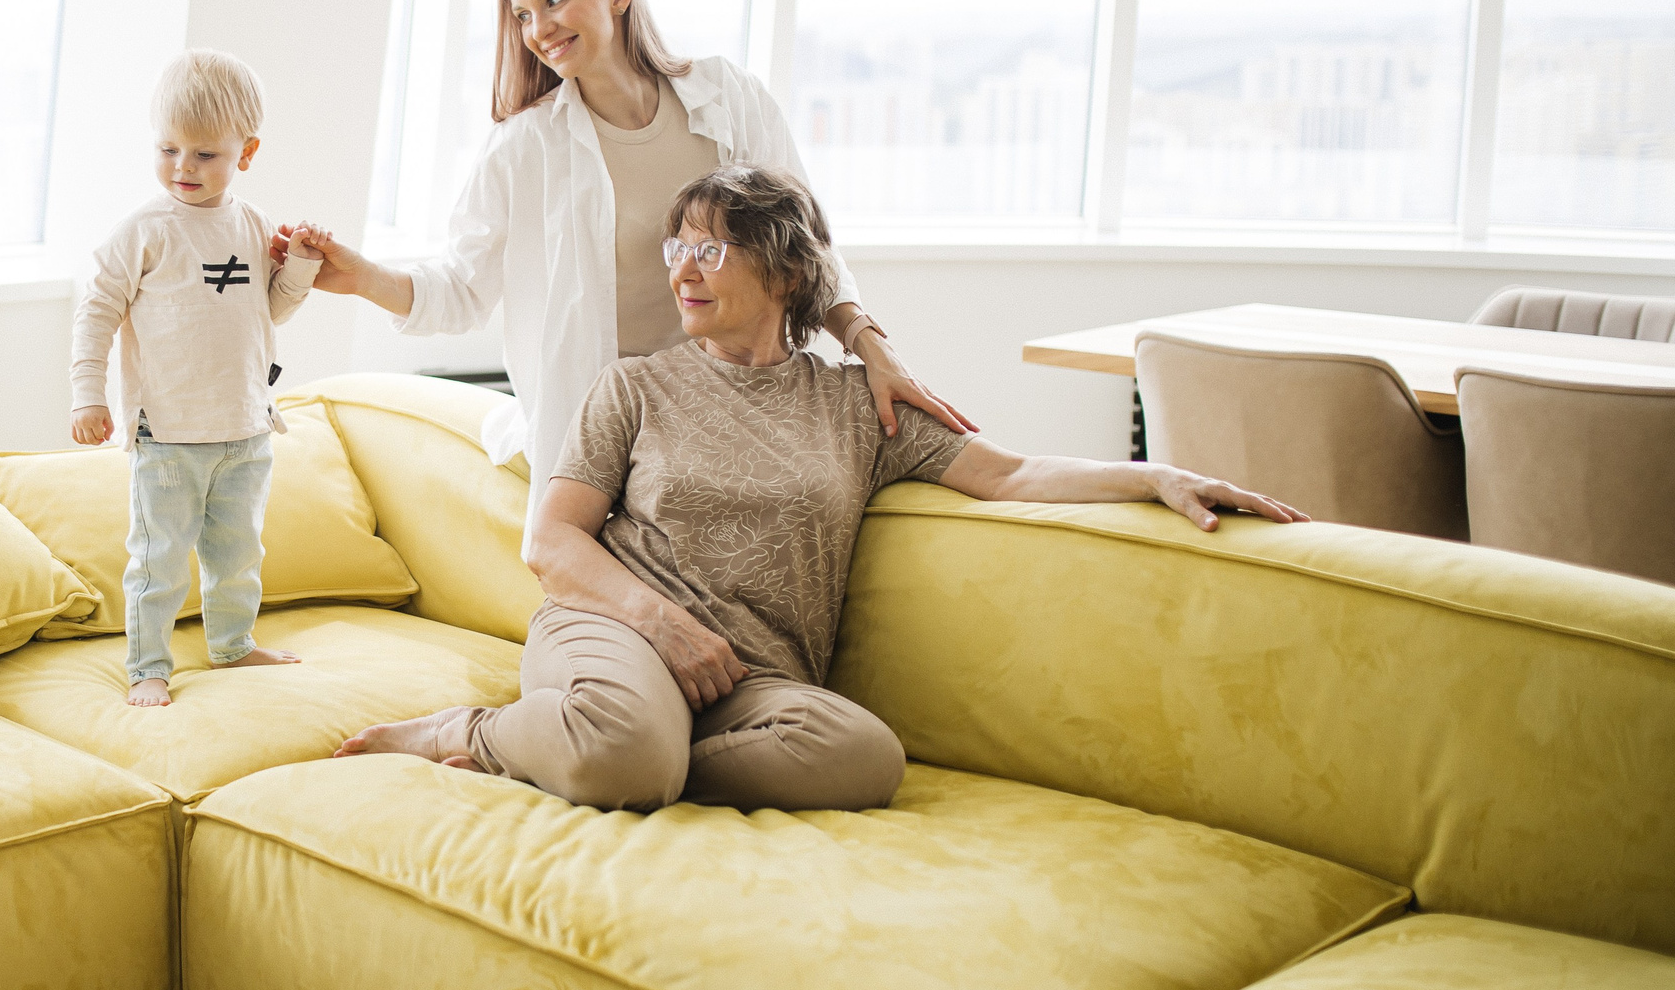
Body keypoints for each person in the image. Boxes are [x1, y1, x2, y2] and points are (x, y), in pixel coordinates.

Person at [337, 166, 1307, 813]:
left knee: (863, 756)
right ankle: (473, 733)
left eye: (709, 249)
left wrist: (1158, 475)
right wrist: (664, 624)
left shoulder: (857, 407)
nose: (682, 267)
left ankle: (638, 761)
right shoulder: (634, 383)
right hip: (616, 629)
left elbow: (1009, 472)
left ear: (785, 270)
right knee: (629, 741)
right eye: (676, 247)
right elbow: (551, 543)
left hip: (751, 683)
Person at [286, 0, 972, 515]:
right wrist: (361, 277)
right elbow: (461, 290)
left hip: (736, 391)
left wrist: (876, 351)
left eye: (554, 1)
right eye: (523, 14)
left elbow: (806, 248)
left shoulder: (727, 98)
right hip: (619, 422)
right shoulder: (527, 146)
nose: (539, 29)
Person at [71, 49, 325, 707]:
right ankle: (147, 663)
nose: (184, 167)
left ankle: (233, 646)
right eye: (169, 148)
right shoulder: (144, 232)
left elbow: (271, 308)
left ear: (246, 152)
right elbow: (96, 312)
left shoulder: (253, 225)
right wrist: (88, 396)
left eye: (205, 154)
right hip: (169, 435)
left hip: (245, 429)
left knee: (238, 554)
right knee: (157, 560)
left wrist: (298, 265)